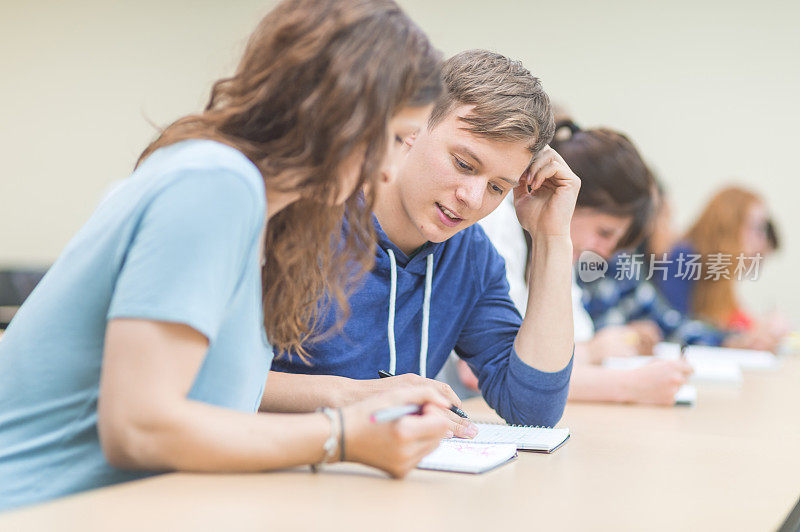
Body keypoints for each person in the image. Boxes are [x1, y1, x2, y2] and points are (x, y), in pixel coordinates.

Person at [0, 0, 452, 511]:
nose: (390, 172)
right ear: (336, 111)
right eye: (394, 139)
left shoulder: (261, 210)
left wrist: (350, 398)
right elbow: (138, 427)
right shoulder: (216, 183)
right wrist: (340, 437)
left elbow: (211, 384)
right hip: (35, 508)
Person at [268, 49, 579, 429]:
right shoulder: (297, 217)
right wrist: (350, 397)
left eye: (498, 187)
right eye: (464, 164)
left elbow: (532, 410)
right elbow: (202, 379)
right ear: (411, 128)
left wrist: (551, 238)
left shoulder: (471, 255)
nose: (473, 198)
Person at [459, 121, 693, 405]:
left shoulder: (557, 248)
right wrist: (625, 382)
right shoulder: (495, 223)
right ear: (567, 193)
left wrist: (597, 348)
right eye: (604, 232)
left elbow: (566, 351)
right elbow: (483, 369)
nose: (604, 252)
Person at [656, 186, 788, 351]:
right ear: (730, 224)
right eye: (757, 228)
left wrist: (757, 331)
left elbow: (727, 319)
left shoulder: (719, 270)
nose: (761, 240)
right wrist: (738, 339)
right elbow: (673, 326)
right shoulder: (684, 257)